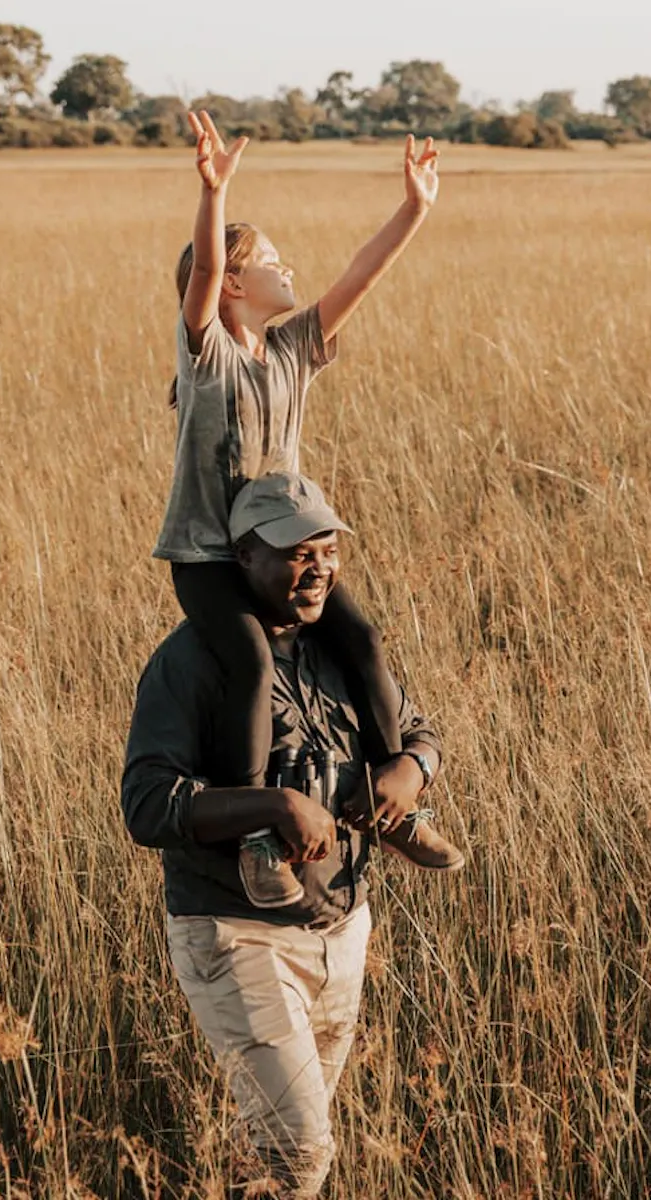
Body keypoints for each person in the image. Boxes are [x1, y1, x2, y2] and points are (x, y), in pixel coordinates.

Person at [154, 111, 461, 899]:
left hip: (283, 545)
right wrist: (214, 192)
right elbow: (197, 280)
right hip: (212, 557)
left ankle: (392, 808)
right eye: (272, 264)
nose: (290, 273)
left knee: (359, 637)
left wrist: (414, 211)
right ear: (234, 282)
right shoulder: (209, 356)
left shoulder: (292, 349)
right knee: (253, 664)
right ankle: (258, 836)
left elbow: (358, 278)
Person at [119, 473, 448, 1197]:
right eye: (297, 553)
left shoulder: (337, 648)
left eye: (328, 550)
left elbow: (421, 732)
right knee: (300, 1152)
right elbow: (146, 804)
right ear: (244, 559)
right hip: (238, 934)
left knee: (271, 1155)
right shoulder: (190, 663)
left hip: (343, 927)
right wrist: (272, 807)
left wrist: (409, 771)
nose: (319, 568)